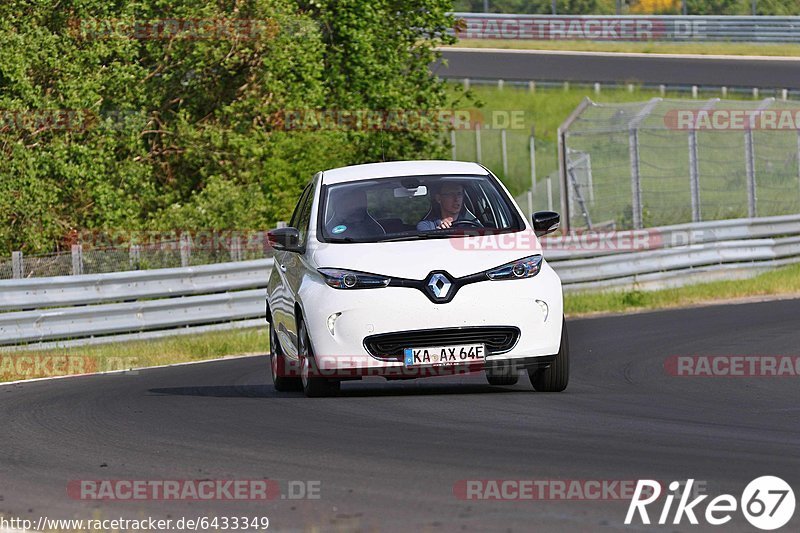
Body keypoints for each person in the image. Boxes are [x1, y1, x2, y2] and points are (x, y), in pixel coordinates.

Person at [416, 182, 481, 231]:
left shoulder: (472, 225)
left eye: (459, 194)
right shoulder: (426, 226)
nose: (456, 199)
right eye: (451, 194)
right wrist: (438, 232)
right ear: (439, 198)